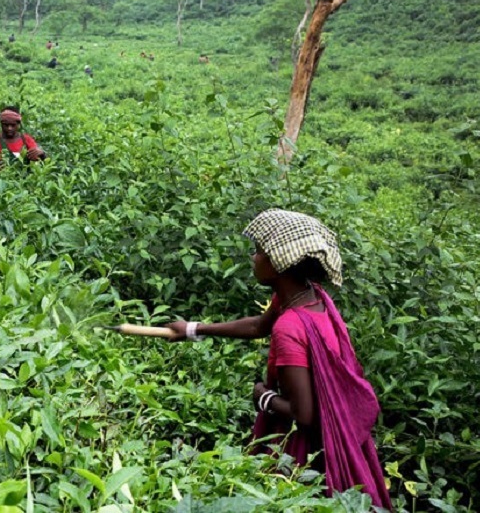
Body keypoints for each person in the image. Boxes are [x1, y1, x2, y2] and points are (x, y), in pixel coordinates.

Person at [163, 209, 392, 510]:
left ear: (280, 263)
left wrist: (263, 398)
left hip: (305, 447)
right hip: (333, 434)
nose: (254, 258)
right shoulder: (311, 296)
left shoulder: (289, 328)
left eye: (259, 252)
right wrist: (193, 329)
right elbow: (259, 326)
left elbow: (304, 414)